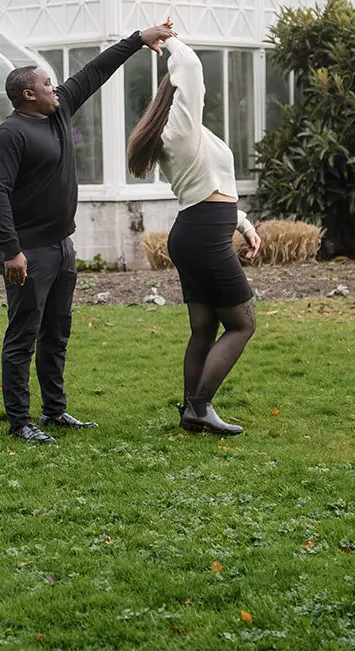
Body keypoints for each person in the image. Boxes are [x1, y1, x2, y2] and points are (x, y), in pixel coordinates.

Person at [0, 22, 176, 444]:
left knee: (56, 333)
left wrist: (138, 39)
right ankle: (20, 422)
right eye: (47, 84)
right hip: (28, 253)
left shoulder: (60, 111)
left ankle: (54, 411)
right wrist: (11, 251)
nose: (57, 88)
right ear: (27, 95)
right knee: (23, 336)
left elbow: (95, 70)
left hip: (61, 247)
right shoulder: (8, 135)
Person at [126, 34, 261, 436]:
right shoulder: (179, 132)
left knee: (204, 327)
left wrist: (244, 224)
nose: (202, 96)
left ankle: (191, 409)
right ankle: (200, 407)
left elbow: (211, 189)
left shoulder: (191, 134)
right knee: (243, 324)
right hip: (201, 236)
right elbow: (192, 72)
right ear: (180, 96)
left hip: (198, 230)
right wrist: (172, 41)